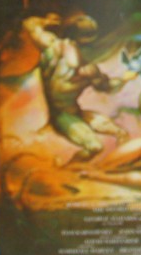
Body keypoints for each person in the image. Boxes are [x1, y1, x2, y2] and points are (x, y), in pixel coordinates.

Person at [22, 13, 133, 160]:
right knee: (95, 146)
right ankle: (68, 168)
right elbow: (30, 25)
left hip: (74, 112)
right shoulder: (53, 48)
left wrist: (125, 78)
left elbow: (108, 87)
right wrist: (45, 21)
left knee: (121, 133)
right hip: (59, 115)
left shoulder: (87, 69)